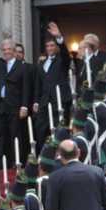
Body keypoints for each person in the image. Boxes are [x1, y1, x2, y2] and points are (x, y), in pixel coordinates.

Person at [0, 17, 31, 170]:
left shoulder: (23, 67)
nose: (6, 52)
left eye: (9, 49)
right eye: (4, 50)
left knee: (14, 134)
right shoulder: (0, 64)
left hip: (14, 105)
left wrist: (24, 106)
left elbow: (26, 88)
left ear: (14, 51)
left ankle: (16, 162)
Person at [32, 23, 72, 152]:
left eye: (52, 45)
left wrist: (59, 37)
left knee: (59, 131)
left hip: (59, 101)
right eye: (47, 46)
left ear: (56, 47)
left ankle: (60, 155)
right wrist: (36, 101)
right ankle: (43, 155)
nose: (49, 48)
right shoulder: (41, 63)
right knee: (40, 130)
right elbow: (38, 84)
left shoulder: (62, 60)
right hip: (44, 102)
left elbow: (66, 53)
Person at [14, 43, 36, 156]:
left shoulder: (31, 67)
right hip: (12, 107)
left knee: (26, 135)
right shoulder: (8, 67)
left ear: (23, 54)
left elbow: (34, 86)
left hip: (27, 107)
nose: (18, 54)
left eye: (20, 52)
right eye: (16, 52)